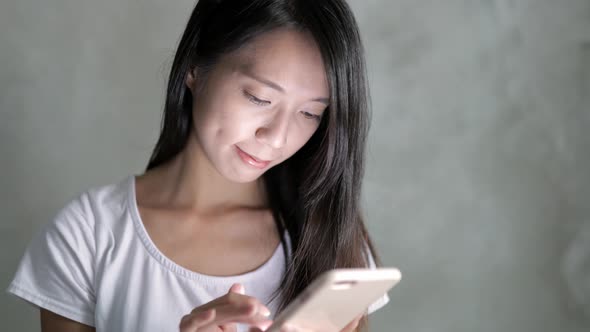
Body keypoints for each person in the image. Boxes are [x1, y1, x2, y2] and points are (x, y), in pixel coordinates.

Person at [7, 0, 389, 331]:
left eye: (310, 113)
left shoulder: (330, 234)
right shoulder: (88, 236)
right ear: (195, 67)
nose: (276, 136)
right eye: (258, 97)